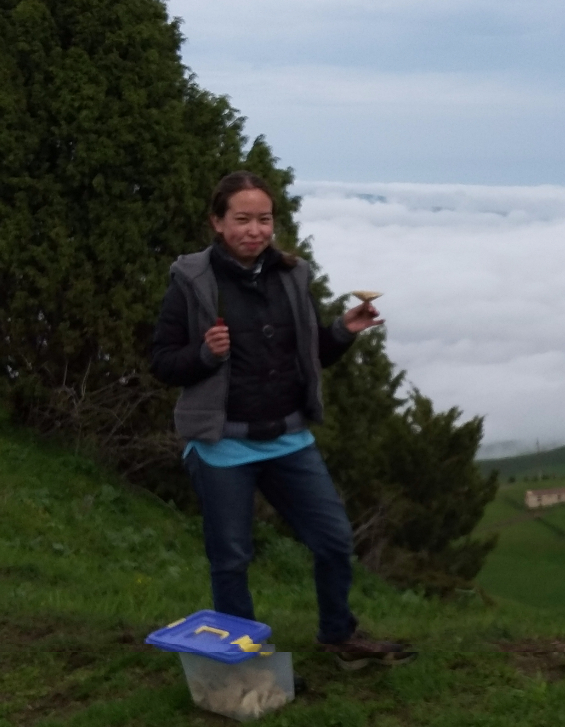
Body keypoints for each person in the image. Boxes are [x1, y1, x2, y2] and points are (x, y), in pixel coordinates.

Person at [150, 171, 415, 669]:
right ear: (217, 222)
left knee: (334, 540)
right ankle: (243, 658)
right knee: (231, 558)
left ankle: (338, 635)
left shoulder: (293, 275)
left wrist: (342, 331)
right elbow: (162, 362)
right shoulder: (192, 280)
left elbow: (310, 355)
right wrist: (204, 355)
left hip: (289, 437)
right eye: (242, 219)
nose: (255, 230)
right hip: (222, 444)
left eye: (264, 219)